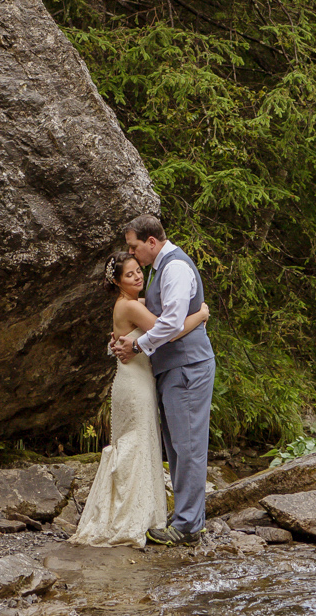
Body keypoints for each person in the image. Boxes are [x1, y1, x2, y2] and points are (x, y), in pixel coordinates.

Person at [70, 252, 209, 547]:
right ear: (117, 282)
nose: (138, 277)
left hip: (138, 380)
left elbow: (157, 311)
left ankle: (144, 512)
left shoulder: (132, 303)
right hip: (135, 385)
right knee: (138, 443)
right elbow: (168, 330)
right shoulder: (130, 306)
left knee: (142, 442)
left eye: (138, 272)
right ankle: (129, 516)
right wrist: (201, 315)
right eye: (129, 275)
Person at [109, 214, 216, 546]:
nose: (133, 254)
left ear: (151, 242)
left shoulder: (175, 268)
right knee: (176, 445)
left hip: (187, 366)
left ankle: (187, 526)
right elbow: (149, 314)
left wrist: (139, 344)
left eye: (134, 246)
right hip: (174, 368)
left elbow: (170, 324)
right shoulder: (160, 270)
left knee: (188, 446)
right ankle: (185, 516)